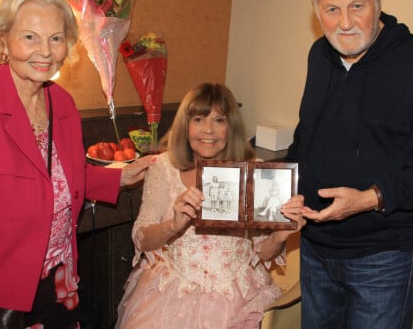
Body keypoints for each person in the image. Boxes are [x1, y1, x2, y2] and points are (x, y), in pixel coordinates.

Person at [0, 0, 155, 329]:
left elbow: (59, 175)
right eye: (30, 37)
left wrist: (120, 176)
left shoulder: (61, 102)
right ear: (3, 41)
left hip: (59, 276)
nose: (45, 52)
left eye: (55, 38)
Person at [285, 0, 413, 329]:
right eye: (331, 10)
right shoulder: (319, 55)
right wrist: (281, 187)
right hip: (315, 251)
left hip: (382, 257)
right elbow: (307, 137)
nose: (345, 22)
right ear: (318, 14)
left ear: (377, 2)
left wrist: (369, 199)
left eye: (356, 6)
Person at [116, 83, 306, 329]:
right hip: (172, 294)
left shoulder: (252, 171)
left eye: (219, 120)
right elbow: (142, 239)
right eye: (198, 119)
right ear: (186, 126)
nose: (208, 130)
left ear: (231, 128)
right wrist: (173, 225)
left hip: (236, 296)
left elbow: (262, 253)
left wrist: (280, 235)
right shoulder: (164, 167)